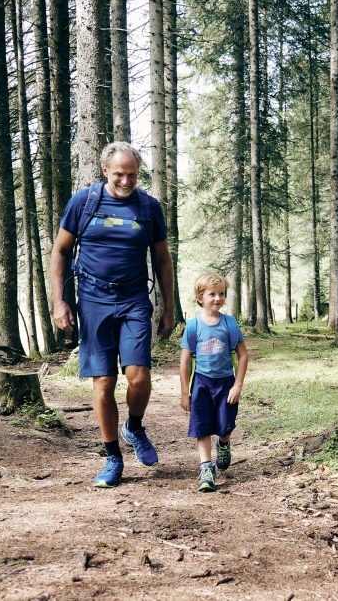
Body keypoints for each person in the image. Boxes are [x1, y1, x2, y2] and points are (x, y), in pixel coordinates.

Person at [49, 142, 174, 488]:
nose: (126, 181)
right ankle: (112, 457)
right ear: (105, 170)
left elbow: (163, 260)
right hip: (93, 301)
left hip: (134, 299)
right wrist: (59, 302)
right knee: (103, 383)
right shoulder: (83, 202)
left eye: (132, 174)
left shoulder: (148, 207)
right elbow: (60, 252)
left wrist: (169, 307)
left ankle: (134, 426)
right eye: (119, 174)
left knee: (139, 377)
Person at [179, 273, 249, 492]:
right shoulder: (193, 326)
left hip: (226, 383)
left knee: (226, 425)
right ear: (200, 297)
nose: (218, 298)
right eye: (212, 294)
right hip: (201, 383)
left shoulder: (230, 324)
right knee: (202, 426)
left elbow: (243, 356)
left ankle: (224, 443)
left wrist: (238, 385)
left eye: (221, 294)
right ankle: (206, 469)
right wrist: (184, 393)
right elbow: (185, 362)